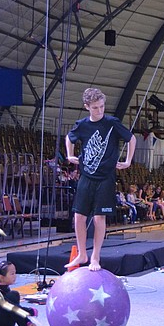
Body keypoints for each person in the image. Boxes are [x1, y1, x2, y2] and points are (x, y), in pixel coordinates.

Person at [65, 87, 136, 271]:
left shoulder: (112, 123)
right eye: (95, 108)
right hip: (86, 176)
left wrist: (128, 161)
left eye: (102, 107)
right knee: (78, 216)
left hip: (105, 178)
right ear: (87, 107)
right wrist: (69, 155)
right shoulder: (82, 124)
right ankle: (82, 253)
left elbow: (131, 138)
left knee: (99, 217)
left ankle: (95, 256)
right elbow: (69, 137)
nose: (100, 111)